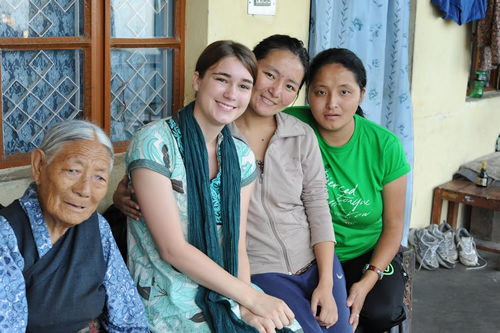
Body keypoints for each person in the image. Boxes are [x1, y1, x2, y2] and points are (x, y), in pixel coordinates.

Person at [115, 35, 352, 333]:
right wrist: (250, 298)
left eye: (242, 86)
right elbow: (172, 249)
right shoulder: (155, 142)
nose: (231, 94)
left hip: (230, 280)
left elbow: (235, 244)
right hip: (170, 287)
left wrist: (247, 304)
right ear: (197, 80)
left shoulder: (240, 156)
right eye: (222, 80)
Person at [286, 48, 411, 333]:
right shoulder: (291, 124)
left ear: (361, 95)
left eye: (344, 92)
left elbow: (393, 226)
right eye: (320, 92)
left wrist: (369, 279)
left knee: (377, 312)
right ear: (308, 96)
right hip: (306, 254)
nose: (332, 104)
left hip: (364, 253)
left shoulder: (384, 146)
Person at [0, 120, 149, 332]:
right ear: (39, 166)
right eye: (72, 170)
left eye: (99, 177)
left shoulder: (97, 227)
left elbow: (128, 318)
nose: (85, 190)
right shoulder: (7, 235)